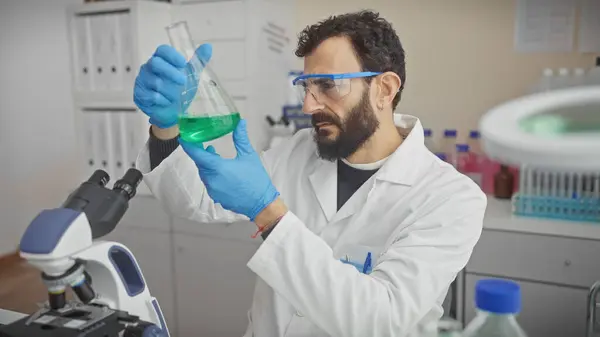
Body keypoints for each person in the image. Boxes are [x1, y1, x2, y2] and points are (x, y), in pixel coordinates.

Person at [133, 10, 486, 337]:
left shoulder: (450, 198)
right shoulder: (297, 151)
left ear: (385, 88)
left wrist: (269, 213)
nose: (308, 105)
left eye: (328, 85)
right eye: (306, 86)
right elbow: (195, 202)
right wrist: (165, 127)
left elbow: (381, 320)